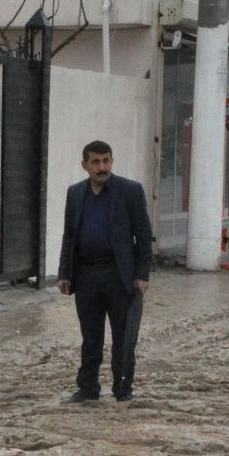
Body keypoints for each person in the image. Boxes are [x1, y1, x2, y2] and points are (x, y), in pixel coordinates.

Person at [55, 140, 153, 403]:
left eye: (106, 160)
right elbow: (69, 235)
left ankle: (123, 389)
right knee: (90, 335)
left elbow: (144, 236)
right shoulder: (75, 194)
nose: (102, 167)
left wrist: (142, 275)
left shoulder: (130, 191)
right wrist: (64, 272)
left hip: (120, 275)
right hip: (86, 275)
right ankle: (88, 388)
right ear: (85, 165)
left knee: (124, 337)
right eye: (96, 162)